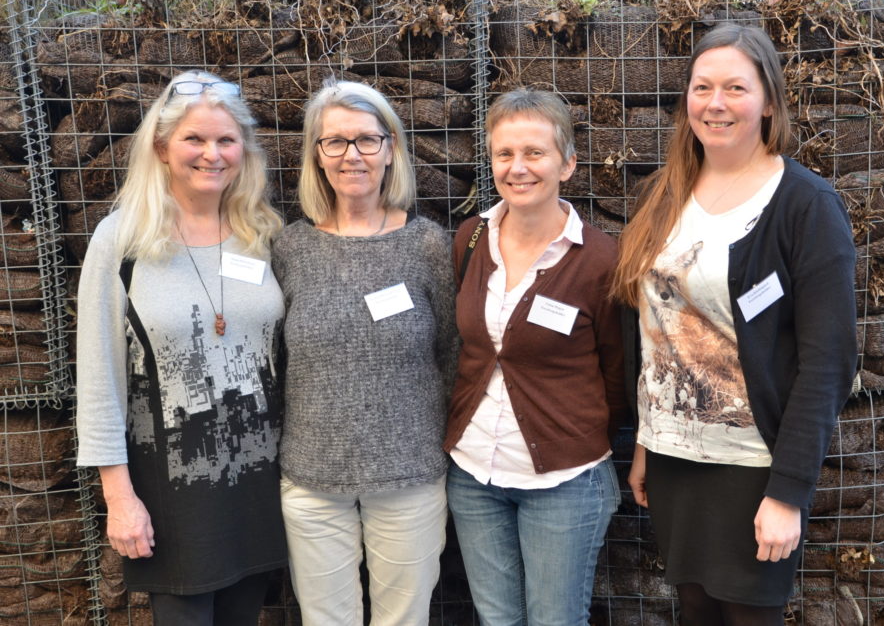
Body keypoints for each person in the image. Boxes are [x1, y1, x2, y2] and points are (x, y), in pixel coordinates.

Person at [612, 24, 857, 625]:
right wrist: (646, 442)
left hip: (752, 466)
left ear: (768, 101)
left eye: (735, 88)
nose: (715, 103)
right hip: (673, 456)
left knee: (748, 615)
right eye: (702, 87)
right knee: (694, 610)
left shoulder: (804, 205)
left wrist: (788, 492)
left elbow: (828, 363)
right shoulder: (663, 193)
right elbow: (655, 328)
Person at [75, 70, 286, 624]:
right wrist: (119, 499)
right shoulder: (122, 241)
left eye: (226, 140)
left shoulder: (262, 234)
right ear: (162, 147)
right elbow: (98, 379)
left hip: (260, 483)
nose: (212, 154)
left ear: (244, 150)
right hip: (173, 490)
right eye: (195, 138)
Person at [272, 79, 458, 626]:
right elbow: (277, 361)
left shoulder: (428, 245)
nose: (351, 154)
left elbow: (452, 350)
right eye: (335, 141)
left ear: (390, 148)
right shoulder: (290, 248)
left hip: (410, 474)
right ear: (317, 155)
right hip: (312, 477)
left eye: (366, 140)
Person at [445, 88, 626, 625]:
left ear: (567, 164)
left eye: (534, 153)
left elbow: (619, 371)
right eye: (504, 154)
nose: (517, 167)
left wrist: (574, 434)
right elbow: (467, 348)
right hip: (474, 475)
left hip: (564, 483)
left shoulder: (600, 260)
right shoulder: (470, 241)